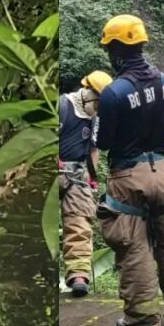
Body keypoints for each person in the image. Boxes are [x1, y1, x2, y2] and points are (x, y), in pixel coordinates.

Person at [93, 14, 164, 326]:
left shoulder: (113, 93)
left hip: (128, 177)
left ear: (117, 51)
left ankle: (142, 318)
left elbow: (103, 141)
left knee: (134, 248)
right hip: (163, 172)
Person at [58, 70, 113, 297]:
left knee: (80, 222)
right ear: (89, 94)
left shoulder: (96, 119)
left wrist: (92, 179)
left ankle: (78, 274)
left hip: (78, 174)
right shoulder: (62, 106)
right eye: (99, 104)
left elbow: (93, 149)